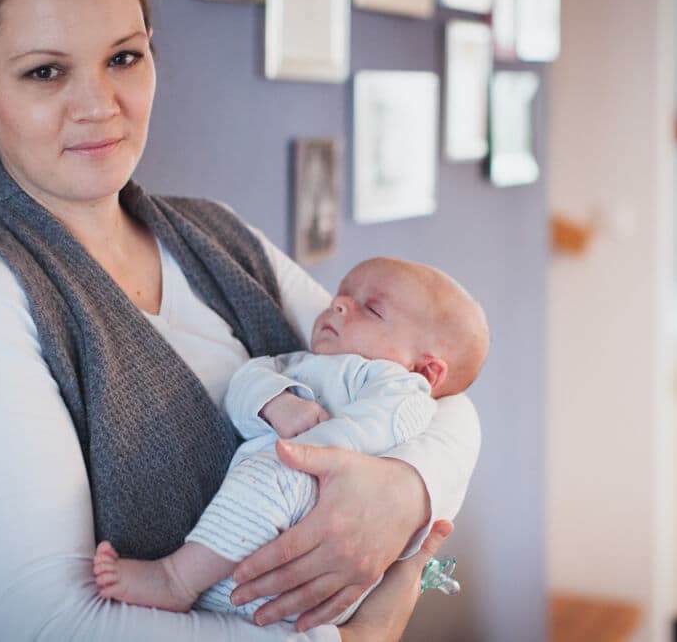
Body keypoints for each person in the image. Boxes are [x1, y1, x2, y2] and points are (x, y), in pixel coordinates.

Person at [0, 0, 480, 641]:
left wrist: (405, 492)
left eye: (123, 57)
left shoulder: (217, 235)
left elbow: (438, 390)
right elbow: (46, 627)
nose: (99, 106)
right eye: (46, 71)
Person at [92, 257, 489, 623]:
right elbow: (246, 382)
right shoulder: (298, 362)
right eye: (340, 295)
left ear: (426, 369)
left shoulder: (398, 385)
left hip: (321, 516)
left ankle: (175, 579)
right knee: (268, 473)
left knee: (275, 472)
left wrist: (315, 450)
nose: (338, 306)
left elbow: (382, 424)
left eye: (372, 309)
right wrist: (273, 403)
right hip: (254, 549)